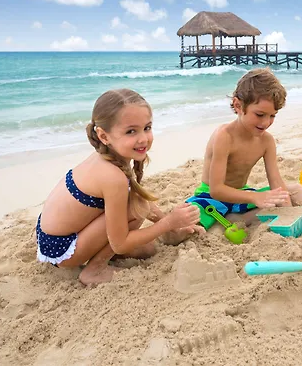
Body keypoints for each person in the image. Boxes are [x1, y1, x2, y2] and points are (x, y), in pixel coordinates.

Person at [36, 89, 202, 286]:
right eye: (131, 131)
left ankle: (166, 235)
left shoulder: (106, 155)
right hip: (62, 249)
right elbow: (121, 243)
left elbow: (136, 197)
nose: (143, 138)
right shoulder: (112, 176)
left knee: (145, 240)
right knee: (135, 209)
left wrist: (170, 225)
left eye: (147, 128)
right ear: (103, 136)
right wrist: (168, 223)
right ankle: (95, 270)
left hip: (50, 238)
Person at [186, 68, 302, 231]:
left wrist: (287, 212)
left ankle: (238, 219)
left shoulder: (266, 141)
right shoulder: (224, 137)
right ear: (238, 105)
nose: (266, 123)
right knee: (183, 228)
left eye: (272, 115)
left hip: (241, 195)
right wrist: (255, 197)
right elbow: (216, 190)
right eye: (260, 115)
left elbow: (276, 182)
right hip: (210, 198)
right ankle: (234, 217)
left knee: (298, 192)